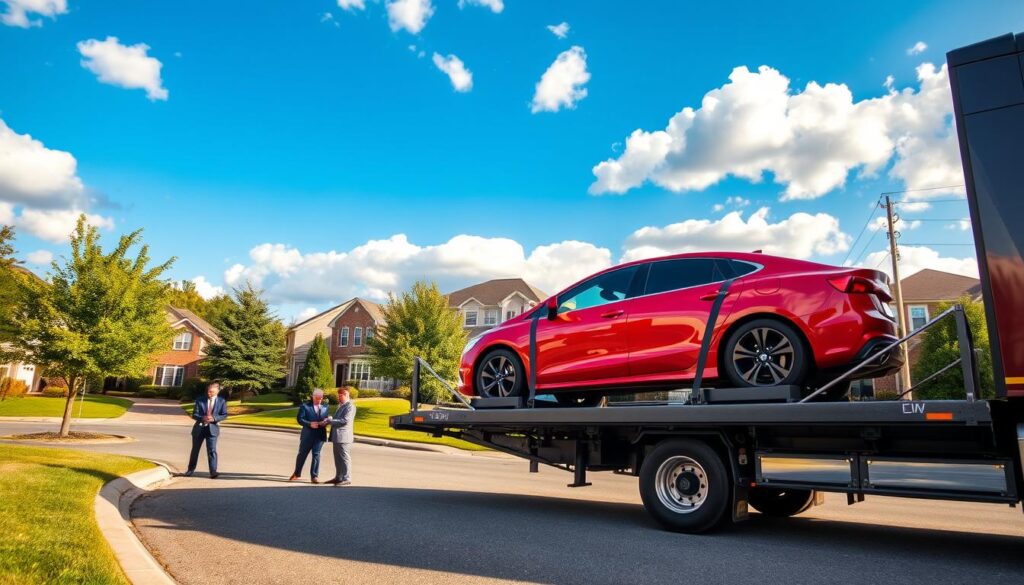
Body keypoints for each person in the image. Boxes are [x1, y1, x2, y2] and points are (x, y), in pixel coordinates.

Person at [186, 381, 227, 478]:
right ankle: (190, 470)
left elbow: (224, 414)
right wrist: (202, 417)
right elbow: (194, 414)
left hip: (212, 429)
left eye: (211, 392)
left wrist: (214, 418)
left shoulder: (221, 401)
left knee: (212, 450)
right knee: (195, 450)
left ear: (217, 392)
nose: (209, 393)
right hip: (199, 428)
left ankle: (213, 471)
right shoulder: (200, 400)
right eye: (208, 391)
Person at [290, 389, 331, 483]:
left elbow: (325, 418)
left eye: (321, 398)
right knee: (302, 454)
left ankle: (314, 476)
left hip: (320, 435)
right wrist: (309, 424)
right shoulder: (305, 406)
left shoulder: (325, 407)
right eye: (317, 398)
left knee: (316, 455)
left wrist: (326, 421)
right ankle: (296, 473)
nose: (319, 400)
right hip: (307, 435)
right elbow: (300, 419)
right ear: (313, 396)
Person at [326, 387, 356, 486]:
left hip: (344, 437)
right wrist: (331, 419)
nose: (339, 398)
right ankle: (338, 477)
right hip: (337, 436)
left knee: (344, 457)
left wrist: (330, 421)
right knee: (337, 457)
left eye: (340, 396)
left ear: (346, 395)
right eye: (338, 396)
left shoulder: (350, 406)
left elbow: (345, 421)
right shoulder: (341, 406)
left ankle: (347, 478)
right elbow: (338, 419)